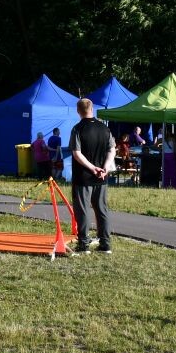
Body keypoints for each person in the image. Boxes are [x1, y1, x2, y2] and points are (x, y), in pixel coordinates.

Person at [69, 97, 115, 254]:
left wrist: (92, 167)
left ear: (78, 111)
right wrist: (105, 167)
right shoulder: (105, 128)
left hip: (83, 177)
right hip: (101, 177)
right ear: (92, 108)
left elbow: (76, 153)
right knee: (102, 210)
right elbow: (112, 149)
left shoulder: (77, 129)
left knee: (82, 210)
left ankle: (83, 244)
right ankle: (105, 244)